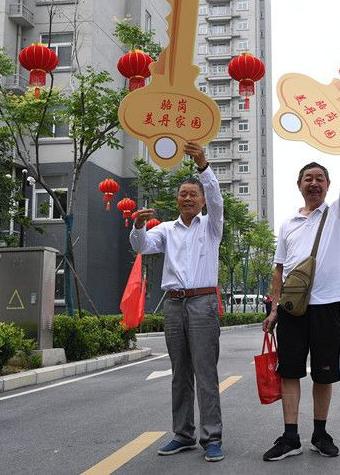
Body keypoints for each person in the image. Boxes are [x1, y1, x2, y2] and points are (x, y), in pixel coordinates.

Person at [261, 118, 340, 462]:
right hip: (290, 309)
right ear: (299, 185)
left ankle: (320, 433)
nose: (314, 183)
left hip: (328, 304)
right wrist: (273, 309)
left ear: (327, 185)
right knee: (289, 371)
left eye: (320, 179)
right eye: (308, 179)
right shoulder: (288, 223)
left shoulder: (337, 213)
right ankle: (291, 437)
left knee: (323, 372)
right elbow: (279, 270)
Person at [129, 141, 225, 463]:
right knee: (179, 373)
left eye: (192, 195)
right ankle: (183, 434)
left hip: (202, 305)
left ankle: (211, 438)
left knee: (205, 372)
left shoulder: (212, 227)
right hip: (173, 305)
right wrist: (138, 225)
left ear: (201, 201)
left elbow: (217, 197)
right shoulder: (167, 230)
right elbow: (141, 246)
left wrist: (203, 166)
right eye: (182, 194)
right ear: (177, 200)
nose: (187, 198)